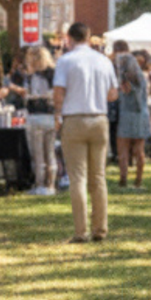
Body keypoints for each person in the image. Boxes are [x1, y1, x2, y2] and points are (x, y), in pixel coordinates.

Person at [52, 22, 119, 242]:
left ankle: (81, 231)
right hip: (99, 118)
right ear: (89, 37)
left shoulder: (65, 61)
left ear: (69, 38)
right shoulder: (103, 61)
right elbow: (113, 94)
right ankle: (100, 228)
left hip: (74, 117)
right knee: (98, 177)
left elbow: (59, 92)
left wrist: (57, 116)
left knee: (77, 177)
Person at [112, 41, 149, 190]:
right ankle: (138, 181)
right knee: (139, 150)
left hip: (126, 113)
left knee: (123, 149)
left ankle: (123, 179)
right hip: (141, 114)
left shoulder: (122, 76)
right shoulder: (140, 78)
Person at [24, 45, 57, 195]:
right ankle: (51, 184)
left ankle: (40, 184)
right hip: (51, 116)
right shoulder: (54, 74)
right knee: (50, 152)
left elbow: (29, 95)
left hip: (36, 116)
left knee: (38, 154)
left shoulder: (31, 77)